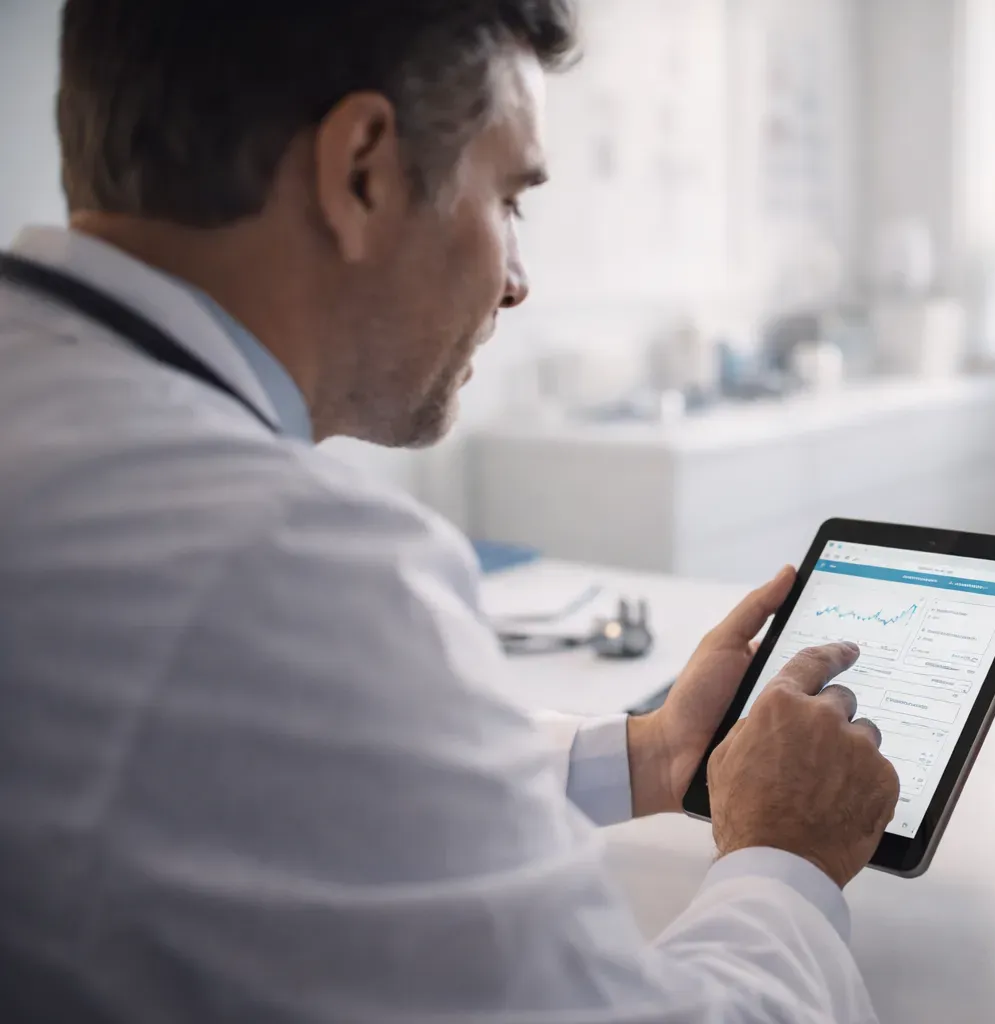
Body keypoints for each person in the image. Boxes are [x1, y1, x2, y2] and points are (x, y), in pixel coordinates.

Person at [0, 2, 901, 1021]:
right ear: (363, 171)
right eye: (510, 199)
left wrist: (650, 754)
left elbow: (279, 767)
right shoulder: (274, 561)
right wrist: (784, 854)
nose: (517, 281)